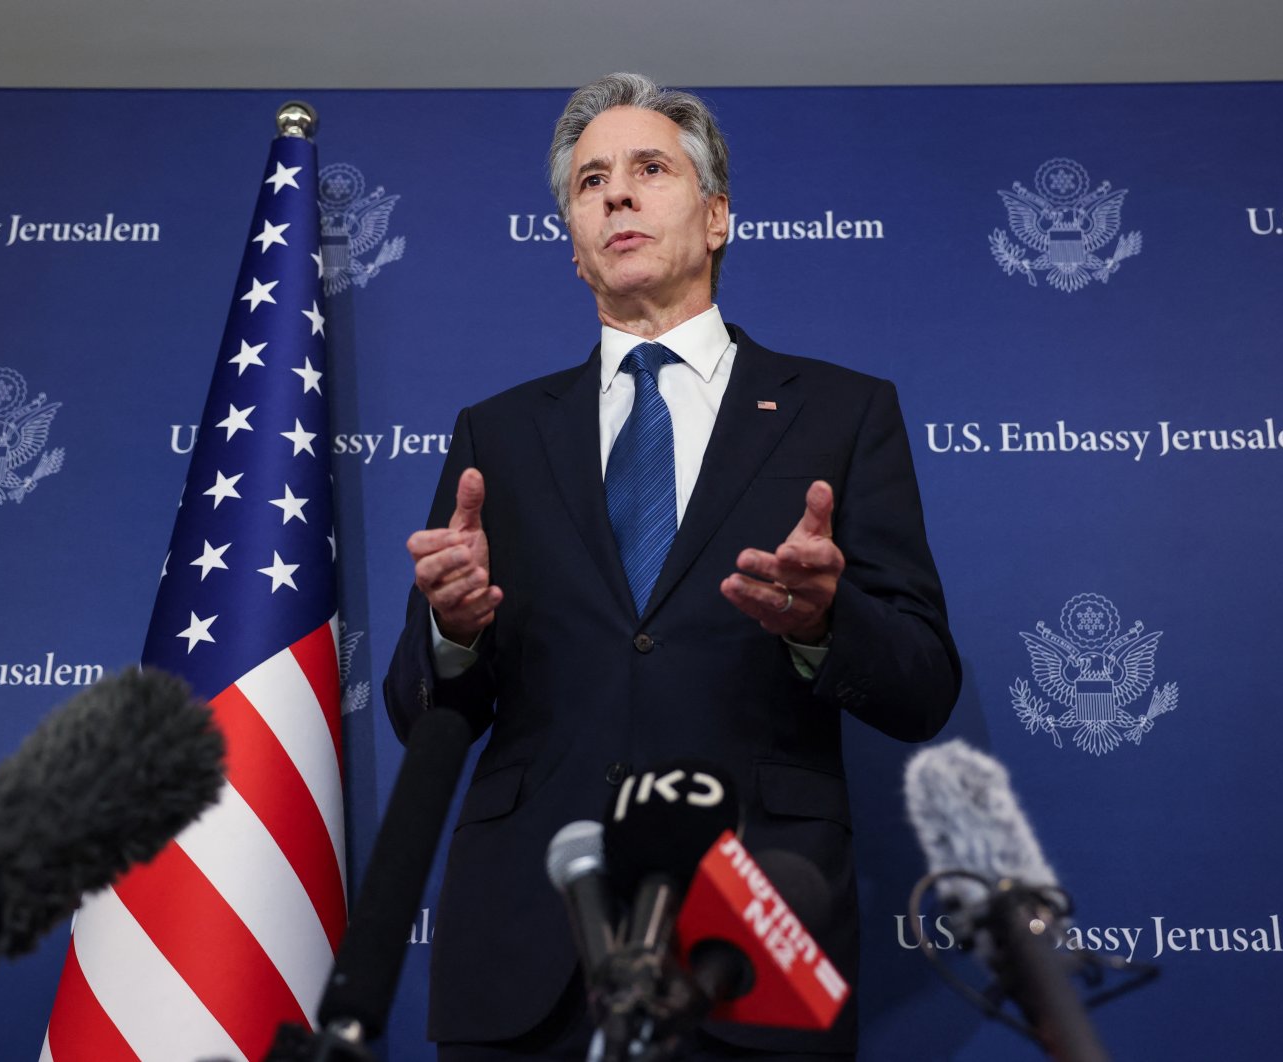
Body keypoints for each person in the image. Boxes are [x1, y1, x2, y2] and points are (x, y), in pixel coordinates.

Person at [384, 72, 960, 1060]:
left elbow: (923, 689)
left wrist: (825, 625)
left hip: (751, 939)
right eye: (590, 180)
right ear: (572, 247)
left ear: (717, 216)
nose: (615, 193)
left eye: (649, 169)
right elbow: (419, 712)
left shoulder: (840, 413)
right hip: (530, 948)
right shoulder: (502, 434)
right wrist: (452, 629)